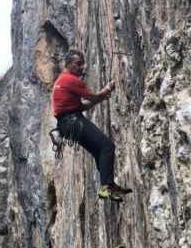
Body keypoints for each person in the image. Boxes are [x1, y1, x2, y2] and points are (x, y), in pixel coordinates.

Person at [52, 49, 132, 202]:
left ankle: (109, 185)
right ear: (68, 64)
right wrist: (107, 89)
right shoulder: (71, 80)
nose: (82, 67)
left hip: (67, 122)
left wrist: (102, 97)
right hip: (72, 121)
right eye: (78, 64)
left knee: (98, 151)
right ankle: (106, 188)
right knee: (107, 147)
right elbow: (93, 96)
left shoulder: (63, 79)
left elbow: (81, 106)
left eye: (83, 64)